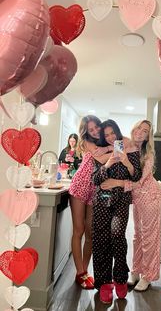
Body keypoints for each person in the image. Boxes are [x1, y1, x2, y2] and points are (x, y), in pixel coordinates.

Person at [101, 120, 161, 291]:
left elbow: (139, 182)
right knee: (138, 236)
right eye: (139, 128)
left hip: (151, 197)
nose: (140, 132)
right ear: (133, 128)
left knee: (149, 238)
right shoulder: (126, 146)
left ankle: (148, 276)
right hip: (136, 199)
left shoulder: (148, 155)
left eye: (145, 131)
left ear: (148, 136)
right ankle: (136, 271)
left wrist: (116, 183)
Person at [92, 119, 142, 304]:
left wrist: (126, 161)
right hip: (103, 201)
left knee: (118, 236)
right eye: (107, 135)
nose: (111, 137)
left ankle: (120, 278)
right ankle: (104, 283)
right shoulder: (100, 153)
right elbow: (96, 180)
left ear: (118, 132)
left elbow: (136, 175)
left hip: (121, 200)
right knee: (102, 239)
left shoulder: (131, 149)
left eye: (113, 133)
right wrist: (108, 164)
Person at [69, 115, 112, 290]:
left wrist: (110, 147)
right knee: (78, 230)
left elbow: (121, 146)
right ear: (86, 132)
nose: (94, 131)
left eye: (96, 128)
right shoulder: (87, 142)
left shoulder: (103, 143)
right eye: (91, 129)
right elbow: (102, 160)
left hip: (95, 190)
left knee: (91, 234)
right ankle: (80, 273)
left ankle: (84, 271)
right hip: (80, 186)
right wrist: (113, 149)